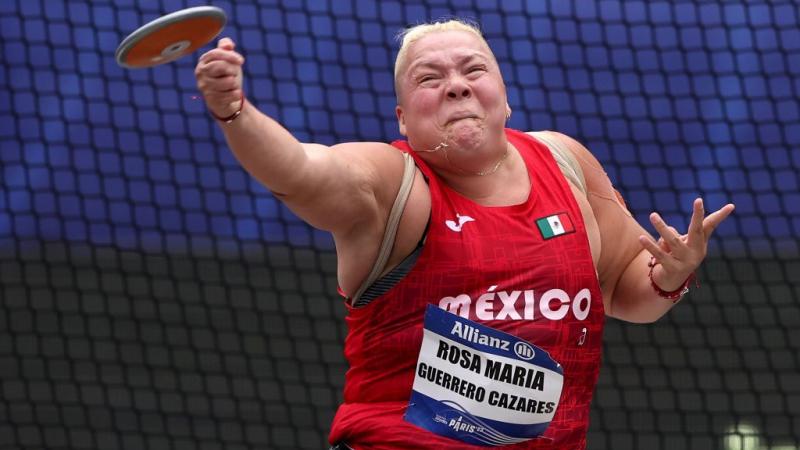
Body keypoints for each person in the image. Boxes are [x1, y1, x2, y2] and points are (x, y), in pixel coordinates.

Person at [195, 19, 734, 450]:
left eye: (473, 69)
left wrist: (670, 274)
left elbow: (623, 287)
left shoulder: (565, 162)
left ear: (503, 96)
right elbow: (300, 170)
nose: (455, 84)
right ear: (403, 118)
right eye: (430, 78)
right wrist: (235, 112)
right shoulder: (392, 183)